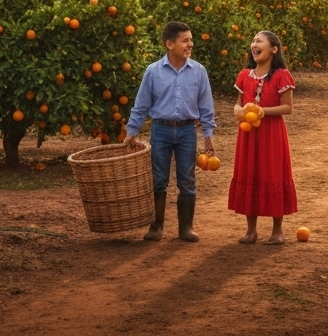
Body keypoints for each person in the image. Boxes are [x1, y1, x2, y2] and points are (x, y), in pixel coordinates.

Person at [125, 21, 216, 242]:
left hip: (186, 131)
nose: (190, 44)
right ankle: (156, 226)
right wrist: (132, 131)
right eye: (185, 41)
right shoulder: (153, 71)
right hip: (161, 130)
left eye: (191, 40)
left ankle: (186, 228)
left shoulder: (198, 71)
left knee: (187, 180)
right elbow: (142, 104)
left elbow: (206, 107)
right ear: (169, 44)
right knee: (158, 180)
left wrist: (208, 136)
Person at [227, 30, 298, 244]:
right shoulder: (244, 75)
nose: (254, 44)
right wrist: (238, 111)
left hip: (272, 134)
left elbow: (288, 107)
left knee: (273, 174)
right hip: (248, 134)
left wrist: (261, 111)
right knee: (251, 173)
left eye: (259, 41)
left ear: (274, 49)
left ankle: (277, 231)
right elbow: (239, 103)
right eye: (253, 40)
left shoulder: (281, 76)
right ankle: (251, 231)